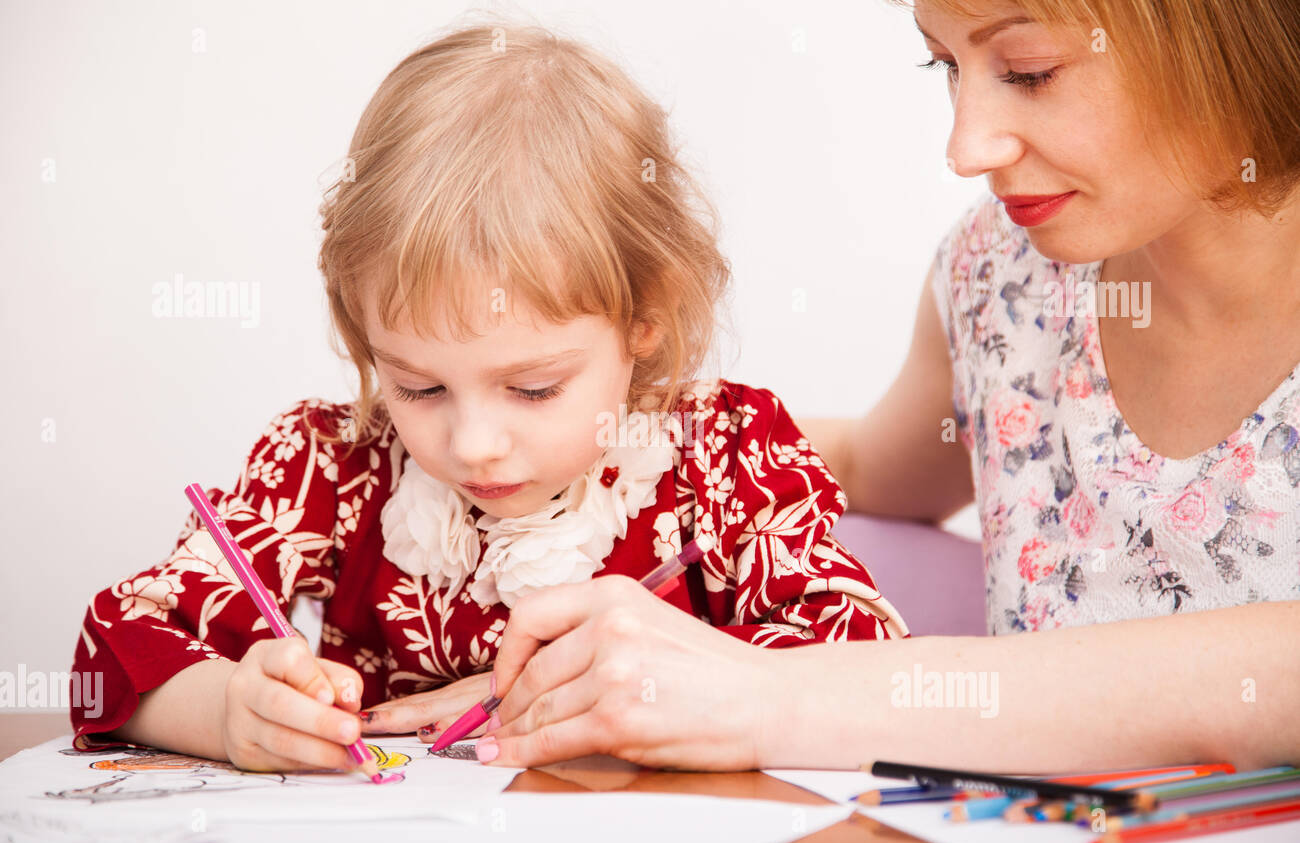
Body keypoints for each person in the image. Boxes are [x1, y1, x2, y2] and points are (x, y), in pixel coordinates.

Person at [480, 0, 1300, 772]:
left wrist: (772, 695)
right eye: (945, 64)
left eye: (1029, 71)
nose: (966, 148)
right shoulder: (1003, 277)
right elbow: (871, 468)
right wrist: (566, 426)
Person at [69, 22, 908, 772]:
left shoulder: (726, 456)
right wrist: (224, 711)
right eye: (418, 384)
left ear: (645, 319)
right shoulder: (331, 466)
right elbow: (114, 648)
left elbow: (858, 649)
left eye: (533, 387)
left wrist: (588, 687)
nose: (472, 442)